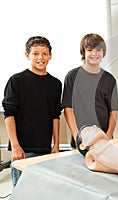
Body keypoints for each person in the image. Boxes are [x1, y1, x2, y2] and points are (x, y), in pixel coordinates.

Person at [2, 36, 62, 187]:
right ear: (27, 55)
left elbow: (56, 115)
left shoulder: (55, 84)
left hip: (46, 149)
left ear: (50, 55)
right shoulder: (17, 81)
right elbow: (9, 114)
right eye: (35, 53)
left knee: (43, 191)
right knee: (22, 192)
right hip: (23, 150)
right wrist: (15, 146)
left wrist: (56, 145)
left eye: (45, 53)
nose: (40, 58)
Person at [62, 33, 118, 148]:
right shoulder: (72, 76)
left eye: (98, 50)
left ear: (103, 52)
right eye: (89, 50)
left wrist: (108, 136)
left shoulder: (109, 79)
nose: (94, 54)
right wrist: (76, 137)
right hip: (81, 141)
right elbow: (68, 109)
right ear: (83, 52)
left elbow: (113, 111)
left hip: (103, 140)